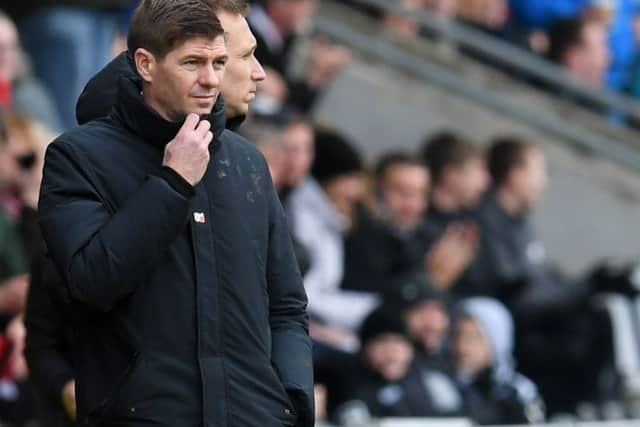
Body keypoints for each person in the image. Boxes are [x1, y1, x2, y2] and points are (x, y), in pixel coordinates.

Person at [38, 2, 313, 427]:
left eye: (221, 61)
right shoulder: (78, 157)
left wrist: (292, 404)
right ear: (148, 62)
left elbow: (287, 306)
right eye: (194, 61)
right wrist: (172, 183)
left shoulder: (247, 163)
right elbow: (91, 282)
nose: (211, 76)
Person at [287, 128, 377, 353]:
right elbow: (306, 296)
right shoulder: (301, 217)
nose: (357, 192)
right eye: (350, 179)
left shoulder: (332, 221)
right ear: (329, 178)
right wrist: (370, 310)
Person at [318, 305, 464, 423]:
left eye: (399, 343)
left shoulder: (432, 381)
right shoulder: (340, 380)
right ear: (365, 347)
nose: (391, 352)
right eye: (382, 342)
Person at [451, 297, 545, 425]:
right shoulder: (445, 385)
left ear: (498, 340)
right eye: (457, 335)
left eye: (474, 337)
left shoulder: (518, 391)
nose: (462, 347)